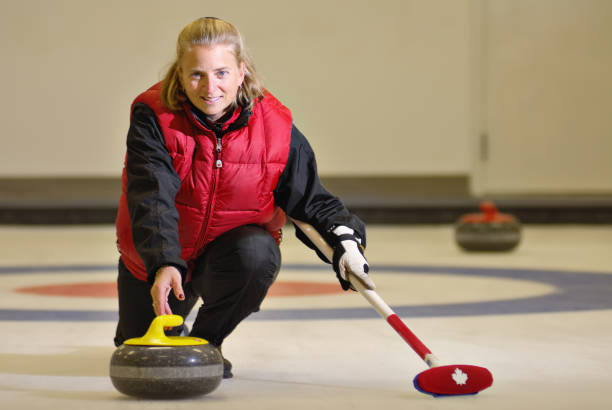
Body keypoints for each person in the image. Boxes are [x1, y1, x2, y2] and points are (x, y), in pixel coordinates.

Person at [114, 16, 375, 379]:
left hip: (225, 255)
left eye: (221, 73)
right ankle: (165, 318)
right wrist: (163, 261)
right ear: (179, 73)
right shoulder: (154, 116)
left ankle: (207, 344)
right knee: (136, 344)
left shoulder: (275, 126)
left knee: (258, 254)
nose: (209, 88)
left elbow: (311, 197)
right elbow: (151, 195)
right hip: (162, 256)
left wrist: (346, 239)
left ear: (242, 71)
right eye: (196, 74)